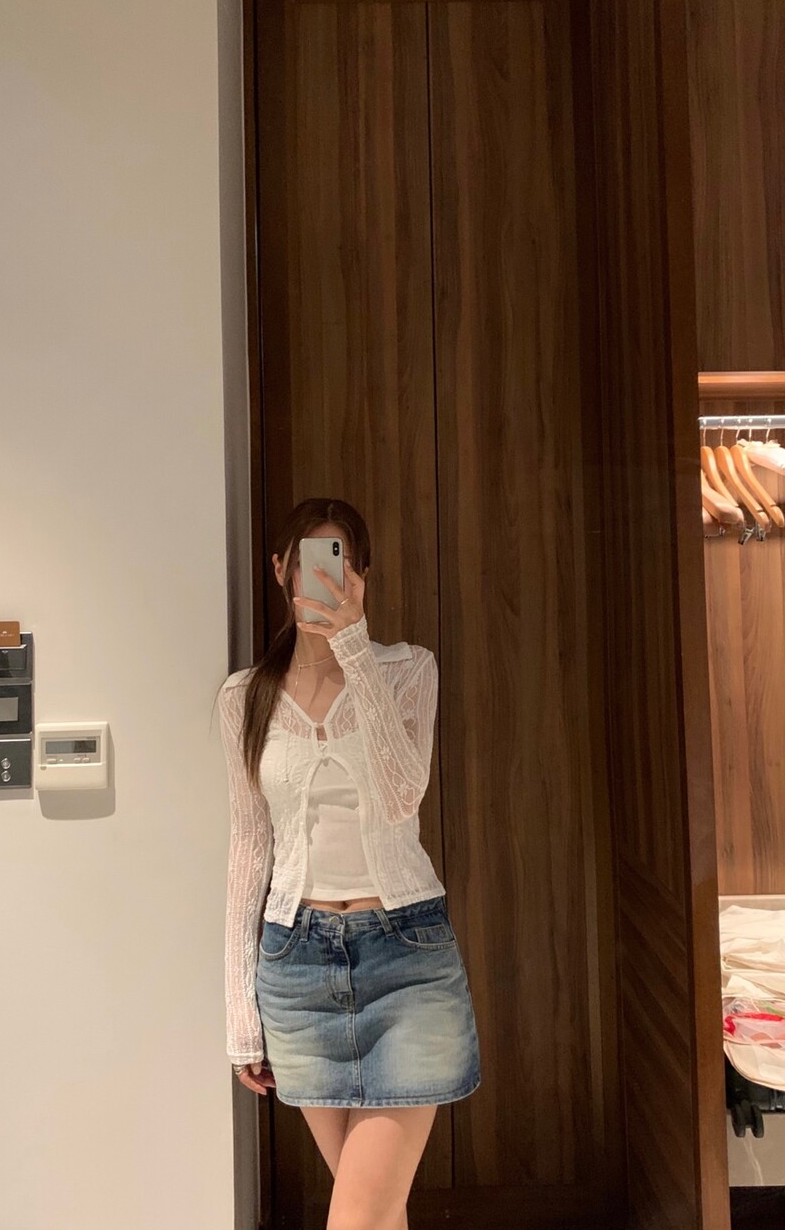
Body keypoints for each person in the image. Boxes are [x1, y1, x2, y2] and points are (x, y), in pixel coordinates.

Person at [216, 498, 480, 1230]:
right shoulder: (244, 698)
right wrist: (240, 1013)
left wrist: (354, 647)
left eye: (337, 563)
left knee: (359, 1214)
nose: (320, 579)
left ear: (359, 575)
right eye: (307, 561)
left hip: (407, 961)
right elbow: (249, 848)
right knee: (377, 1213)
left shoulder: (407, 670)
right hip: (296, 970)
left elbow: (402, 795)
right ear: (280, 569)